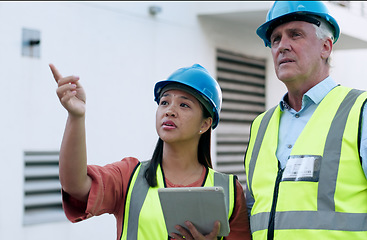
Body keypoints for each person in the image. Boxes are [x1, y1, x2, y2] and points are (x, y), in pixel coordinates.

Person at [244, 1, 367, 240]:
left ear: (326, 47)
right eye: (275, 39)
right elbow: (251, 216)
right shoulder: (261, 125)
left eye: (295, 35)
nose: (282, 46)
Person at [50, 63, 251, 240]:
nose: (170, 110)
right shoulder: (129, 176)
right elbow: (75, 185)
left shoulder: (230, 191)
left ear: (206, 124)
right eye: (164, 102)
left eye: (184, 105)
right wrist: (76, 117)